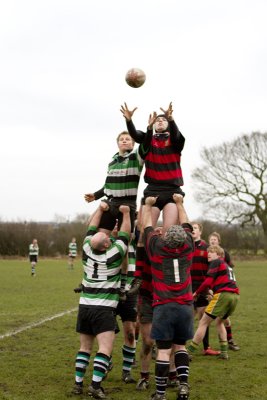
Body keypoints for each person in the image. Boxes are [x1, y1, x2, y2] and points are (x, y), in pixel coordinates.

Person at [72, 200, 131, 399]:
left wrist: (100, 208)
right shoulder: (114, 254)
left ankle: (78, 384)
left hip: (85, 306)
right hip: (103, 309)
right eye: (106, 237)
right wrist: (126, 213)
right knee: (105, 348)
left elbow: (90, 228)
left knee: (84, 348)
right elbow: (125, 234)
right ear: (107, 244)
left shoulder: (87, 251)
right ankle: (96, 386)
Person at [142, 194, 194, 400]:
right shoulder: (189, 246)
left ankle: (161, 394)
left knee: (163, 351)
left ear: (165, 237)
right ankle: (183, 386)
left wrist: (147, 206)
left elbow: (147, 226)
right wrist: (180, 203)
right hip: (185, 306)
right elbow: (187, 223)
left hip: (163, 306)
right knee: (180, 346)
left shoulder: (156, 248)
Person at [120, 102, 185, 234]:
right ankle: (144, 253)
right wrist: (129, 120)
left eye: (163, 120)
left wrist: (171, 119)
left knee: (168, 232)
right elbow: (135, 134)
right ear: (153, 125)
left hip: (172, 190)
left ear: (168, 124)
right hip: (152, 190)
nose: (160, 121)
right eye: (157, 120)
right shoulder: (148, 139)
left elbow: (177, 135)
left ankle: (163, 253)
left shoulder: (175, 140)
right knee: (144, 232)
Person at [84, 130, 148, 234]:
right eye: (121, 139)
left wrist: (142, 128)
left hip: (127, 204)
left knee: (124, 240)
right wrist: (95, 195)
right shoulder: (112, 162)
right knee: (100, 236)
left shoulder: (136, 156)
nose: (124, 141)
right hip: (111, 203)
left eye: (127, 139)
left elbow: (146, 142)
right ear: (117, 143)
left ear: (133, 143)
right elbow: (108, 186)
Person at [187, 245, 240, 360]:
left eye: (212, 252)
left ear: (220, 255)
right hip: (234, 296)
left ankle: (188, 352)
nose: (209, 254)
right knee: (219, 322)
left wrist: (196, 293)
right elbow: (219, 282)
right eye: (208, 252)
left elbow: (207, 281)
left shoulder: (216, 262)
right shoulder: (226, 265)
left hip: (224, 295)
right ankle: (224, 352)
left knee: (203, 323)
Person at [190, 222, 220, 356]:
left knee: (204, 319)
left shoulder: (207, 248)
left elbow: (213, 270)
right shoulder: (185, 246)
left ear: (200, 232)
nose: (192, 230)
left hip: (202, 288)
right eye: (191, 228)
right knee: (187, 319)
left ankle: (206, 347)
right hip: (188, 288)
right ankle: (182, 348)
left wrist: (211, 289)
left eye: (195, 228)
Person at [208, 232, 240, 351]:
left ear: (219, 241)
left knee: (223, 318)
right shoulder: (209, 253)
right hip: (211, 287)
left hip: (222, 288)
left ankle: (229, 340)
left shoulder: (223, 254)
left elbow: (230, 267)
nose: (213, 241)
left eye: (215, 239)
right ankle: (206, 345)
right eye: (211, 239)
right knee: (204, 317)